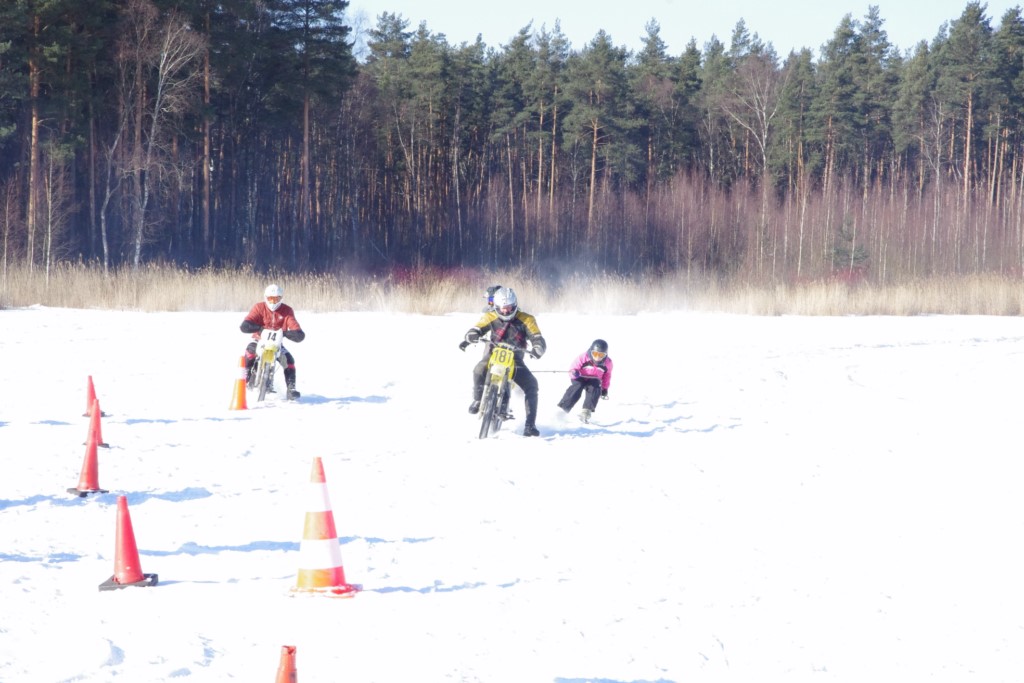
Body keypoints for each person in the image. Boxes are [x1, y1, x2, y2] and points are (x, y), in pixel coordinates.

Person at [459, 286, 546, 436]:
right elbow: (477, 328)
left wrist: (538, 347)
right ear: (496, 306)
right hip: (493, 353)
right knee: (478, 370)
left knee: (532, 385)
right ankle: (478, 399)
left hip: (515, 358)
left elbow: (537, 337)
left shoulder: (527, 319)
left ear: (515, 304)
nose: (505, 311)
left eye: (509, 307)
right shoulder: (490, 316)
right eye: (502, 308)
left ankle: (530, 425)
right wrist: (472, 334)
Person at [240, 283, 305, 400]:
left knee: (289, 360)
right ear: (266, 298)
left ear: (281, 298)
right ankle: (245, 378)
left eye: (276, 299)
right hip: (258, 340)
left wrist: (288, 333)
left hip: (277, 344)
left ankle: (291, 389)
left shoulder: (287, 310)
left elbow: (297, 330)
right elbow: (245, 324)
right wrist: (259, 328)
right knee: (249, 353)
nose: (273, 302)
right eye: (270, 299)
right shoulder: (259, 307)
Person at [557, 339, 613, 423]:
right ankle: (564, 408)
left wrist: (605, 388)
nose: (597, 357)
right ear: (591, 351)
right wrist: (574, 373)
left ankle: (586, 411)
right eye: (595, 353)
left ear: (605, 354)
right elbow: (573, 368)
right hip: (580, 376)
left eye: (601, 355)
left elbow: (607, 376)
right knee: (577, 387)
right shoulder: (583, 357)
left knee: (595, 387)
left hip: (594, 379)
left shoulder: (608, 363)